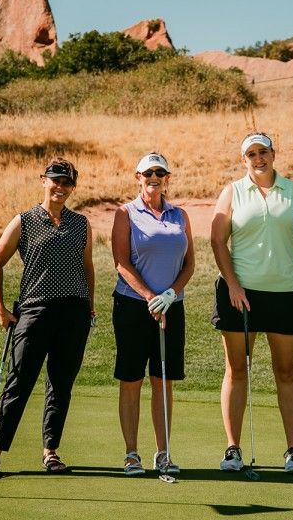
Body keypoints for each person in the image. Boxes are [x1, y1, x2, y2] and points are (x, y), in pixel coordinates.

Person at [211, 131, 293, 474]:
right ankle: (232, 448)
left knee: (286, 371)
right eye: (251, 154)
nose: (258, 158)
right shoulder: (232, 192)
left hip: (287, 293)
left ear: (274, 153)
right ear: (244, 160)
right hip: (239, 295)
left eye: (264, 152)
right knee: (237, 369)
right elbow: (217, 241)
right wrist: (233, 284)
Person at [0, 158, 95, 477]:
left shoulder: (81, 223)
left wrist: (90, 306)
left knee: (61, 384)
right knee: (19, 381)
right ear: (43, 180)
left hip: (73, 312)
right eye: (55, 180)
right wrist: (0, 307)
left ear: (73, 187)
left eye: (67, 182)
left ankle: (51, 452)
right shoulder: (25, 220)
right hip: (34, 310)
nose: (60, 186)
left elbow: (87, 267)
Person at [111, 152, 195, 476]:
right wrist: (150, 297)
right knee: (132, 380)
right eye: (148, 172)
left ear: (167, 178)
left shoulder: (180, 215)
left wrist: (170, 295)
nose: (154, 177)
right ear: (138, 176)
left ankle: (163, 453)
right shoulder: (125, 213)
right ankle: (132, 454)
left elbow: (190, 264)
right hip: (133, 306)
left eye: (160, 172)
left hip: (172, 307)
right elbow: (121, 262)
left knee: (163, 382)